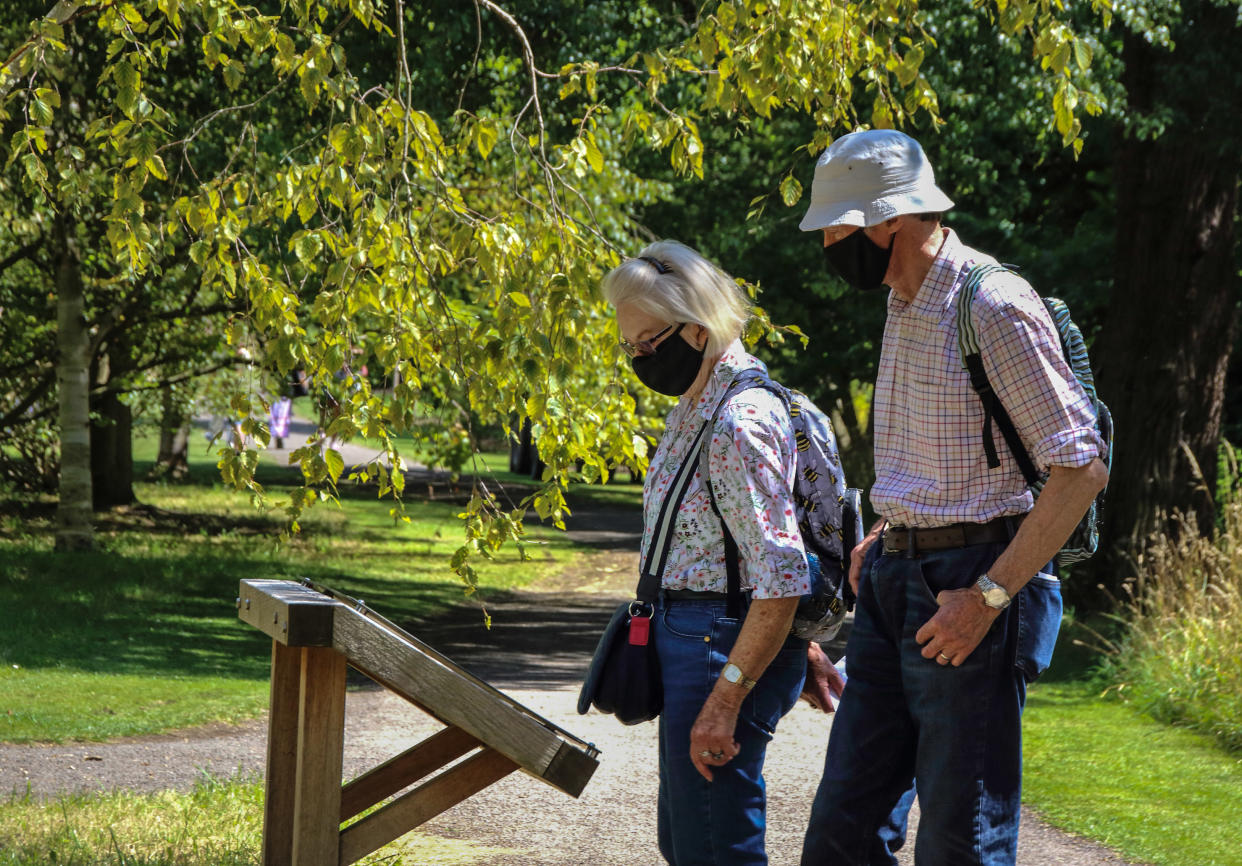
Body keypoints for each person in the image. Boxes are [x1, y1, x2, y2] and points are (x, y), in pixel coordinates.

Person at [796, 130, 1109, 865]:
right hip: (895, 577)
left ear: (888, 220)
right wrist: (889, 527)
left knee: (959, 838)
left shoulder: (991, 302)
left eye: (836, 228)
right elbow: (946, 453)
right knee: (842, 825)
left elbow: (1081, 466)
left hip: (972, 583)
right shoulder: (902, 302)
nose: (828, 246)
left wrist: (989, 596)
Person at [602, 241, 839, 866]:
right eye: (629, 346)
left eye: (650, 342)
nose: (640, 358)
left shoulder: (738, 421)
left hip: (716, 647)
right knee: (687, 839)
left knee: (713, 845)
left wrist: (731, 693)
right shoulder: (695, 409)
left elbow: (781, 575)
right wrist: (799, 644)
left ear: (698, 329)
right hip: (704, 636)